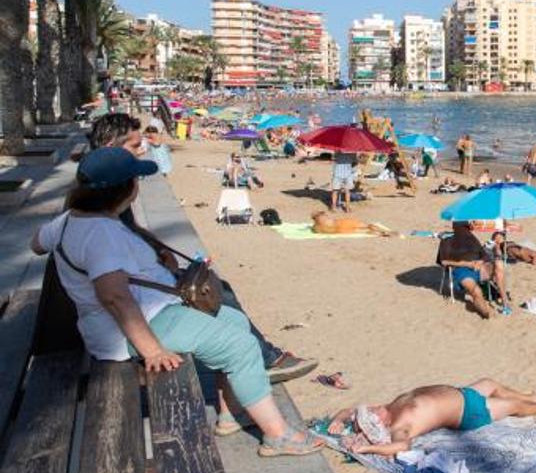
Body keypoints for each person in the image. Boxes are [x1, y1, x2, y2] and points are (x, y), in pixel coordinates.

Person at [31, 148, 322, 457]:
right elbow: (113, 296)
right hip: (131, 329)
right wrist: (152, 350)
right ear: (125, 188)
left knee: (235, 322)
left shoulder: (70, 221)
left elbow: (36, 243)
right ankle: (278, 435)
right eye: (135, 178)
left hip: (146, 314)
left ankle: (230, 414)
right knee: (240, 346)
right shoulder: (100, 232)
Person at [327, 379, 536, 455]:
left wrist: (339, 420)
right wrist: (366, 450)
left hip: (462, 393)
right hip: (469, 412)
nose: (371, 409)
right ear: (380, 424)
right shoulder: (399, 425)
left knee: (490, 383)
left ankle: (532, 396)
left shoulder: (385, 410)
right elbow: (402, 445)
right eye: (370, 414)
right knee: (513, 405)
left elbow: (349, 411)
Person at [437, 221, 511, 318]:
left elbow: (484, 255)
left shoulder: (471, 238)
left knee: (499, 264)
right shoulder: (447, 240)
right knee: (476, 291)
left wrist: (480, 261)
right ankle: (486, 312)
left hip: (479, 268)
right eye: (467, 226)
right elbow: (444, 262)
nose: (470, 228)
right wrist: (466, 264)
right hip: (461, 271)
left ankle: (505, 302)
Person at [311, 210, 394, 236]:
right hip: (343, 222)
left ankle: (382, 234)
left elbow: (316, 230)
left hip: (340, 230)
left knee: (365, 231)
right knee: (367, 225)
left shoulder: (317, 226)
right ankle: (385, 231)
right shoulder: (324, 217)